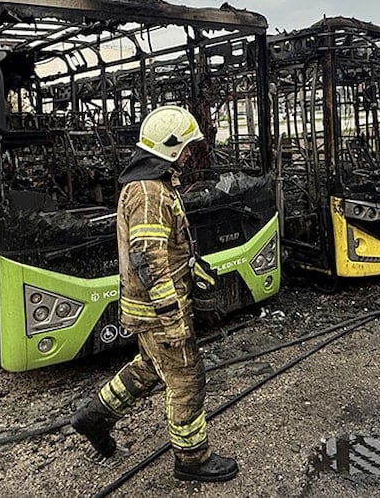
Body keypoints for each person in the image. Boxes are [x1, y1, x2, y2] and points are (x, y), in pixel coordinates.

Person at [70, 105, 237, 483]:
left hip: (150, 308)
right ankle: (192, 458)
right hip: (160, 310)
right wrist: (173, 316)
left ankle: (95, 417)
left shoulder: (152, 185)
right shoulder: (148, 193)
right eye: (187, 148)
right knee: (186, 378)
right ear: (170, 148)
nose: (191, 155)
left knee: (149, 366)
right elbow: (148, 260)